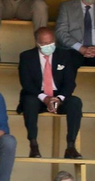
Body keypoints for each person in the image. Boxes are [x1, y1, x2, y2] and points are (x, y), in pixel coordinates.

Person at [18, 27, 83, 160]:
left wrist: (59, 98)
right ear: (37, 43)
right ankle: (33, 145)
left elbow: (70, 83)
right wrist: (45, 98)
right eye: (44, 43)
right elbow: (26, 83)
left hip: (59, 96)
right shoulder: (26, 56)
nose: (48, 46)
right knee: (29, 102)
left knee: (75, 102)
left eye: (50, 42)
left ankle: (71, 146)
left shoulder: (65, 55)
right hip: (37, 96)